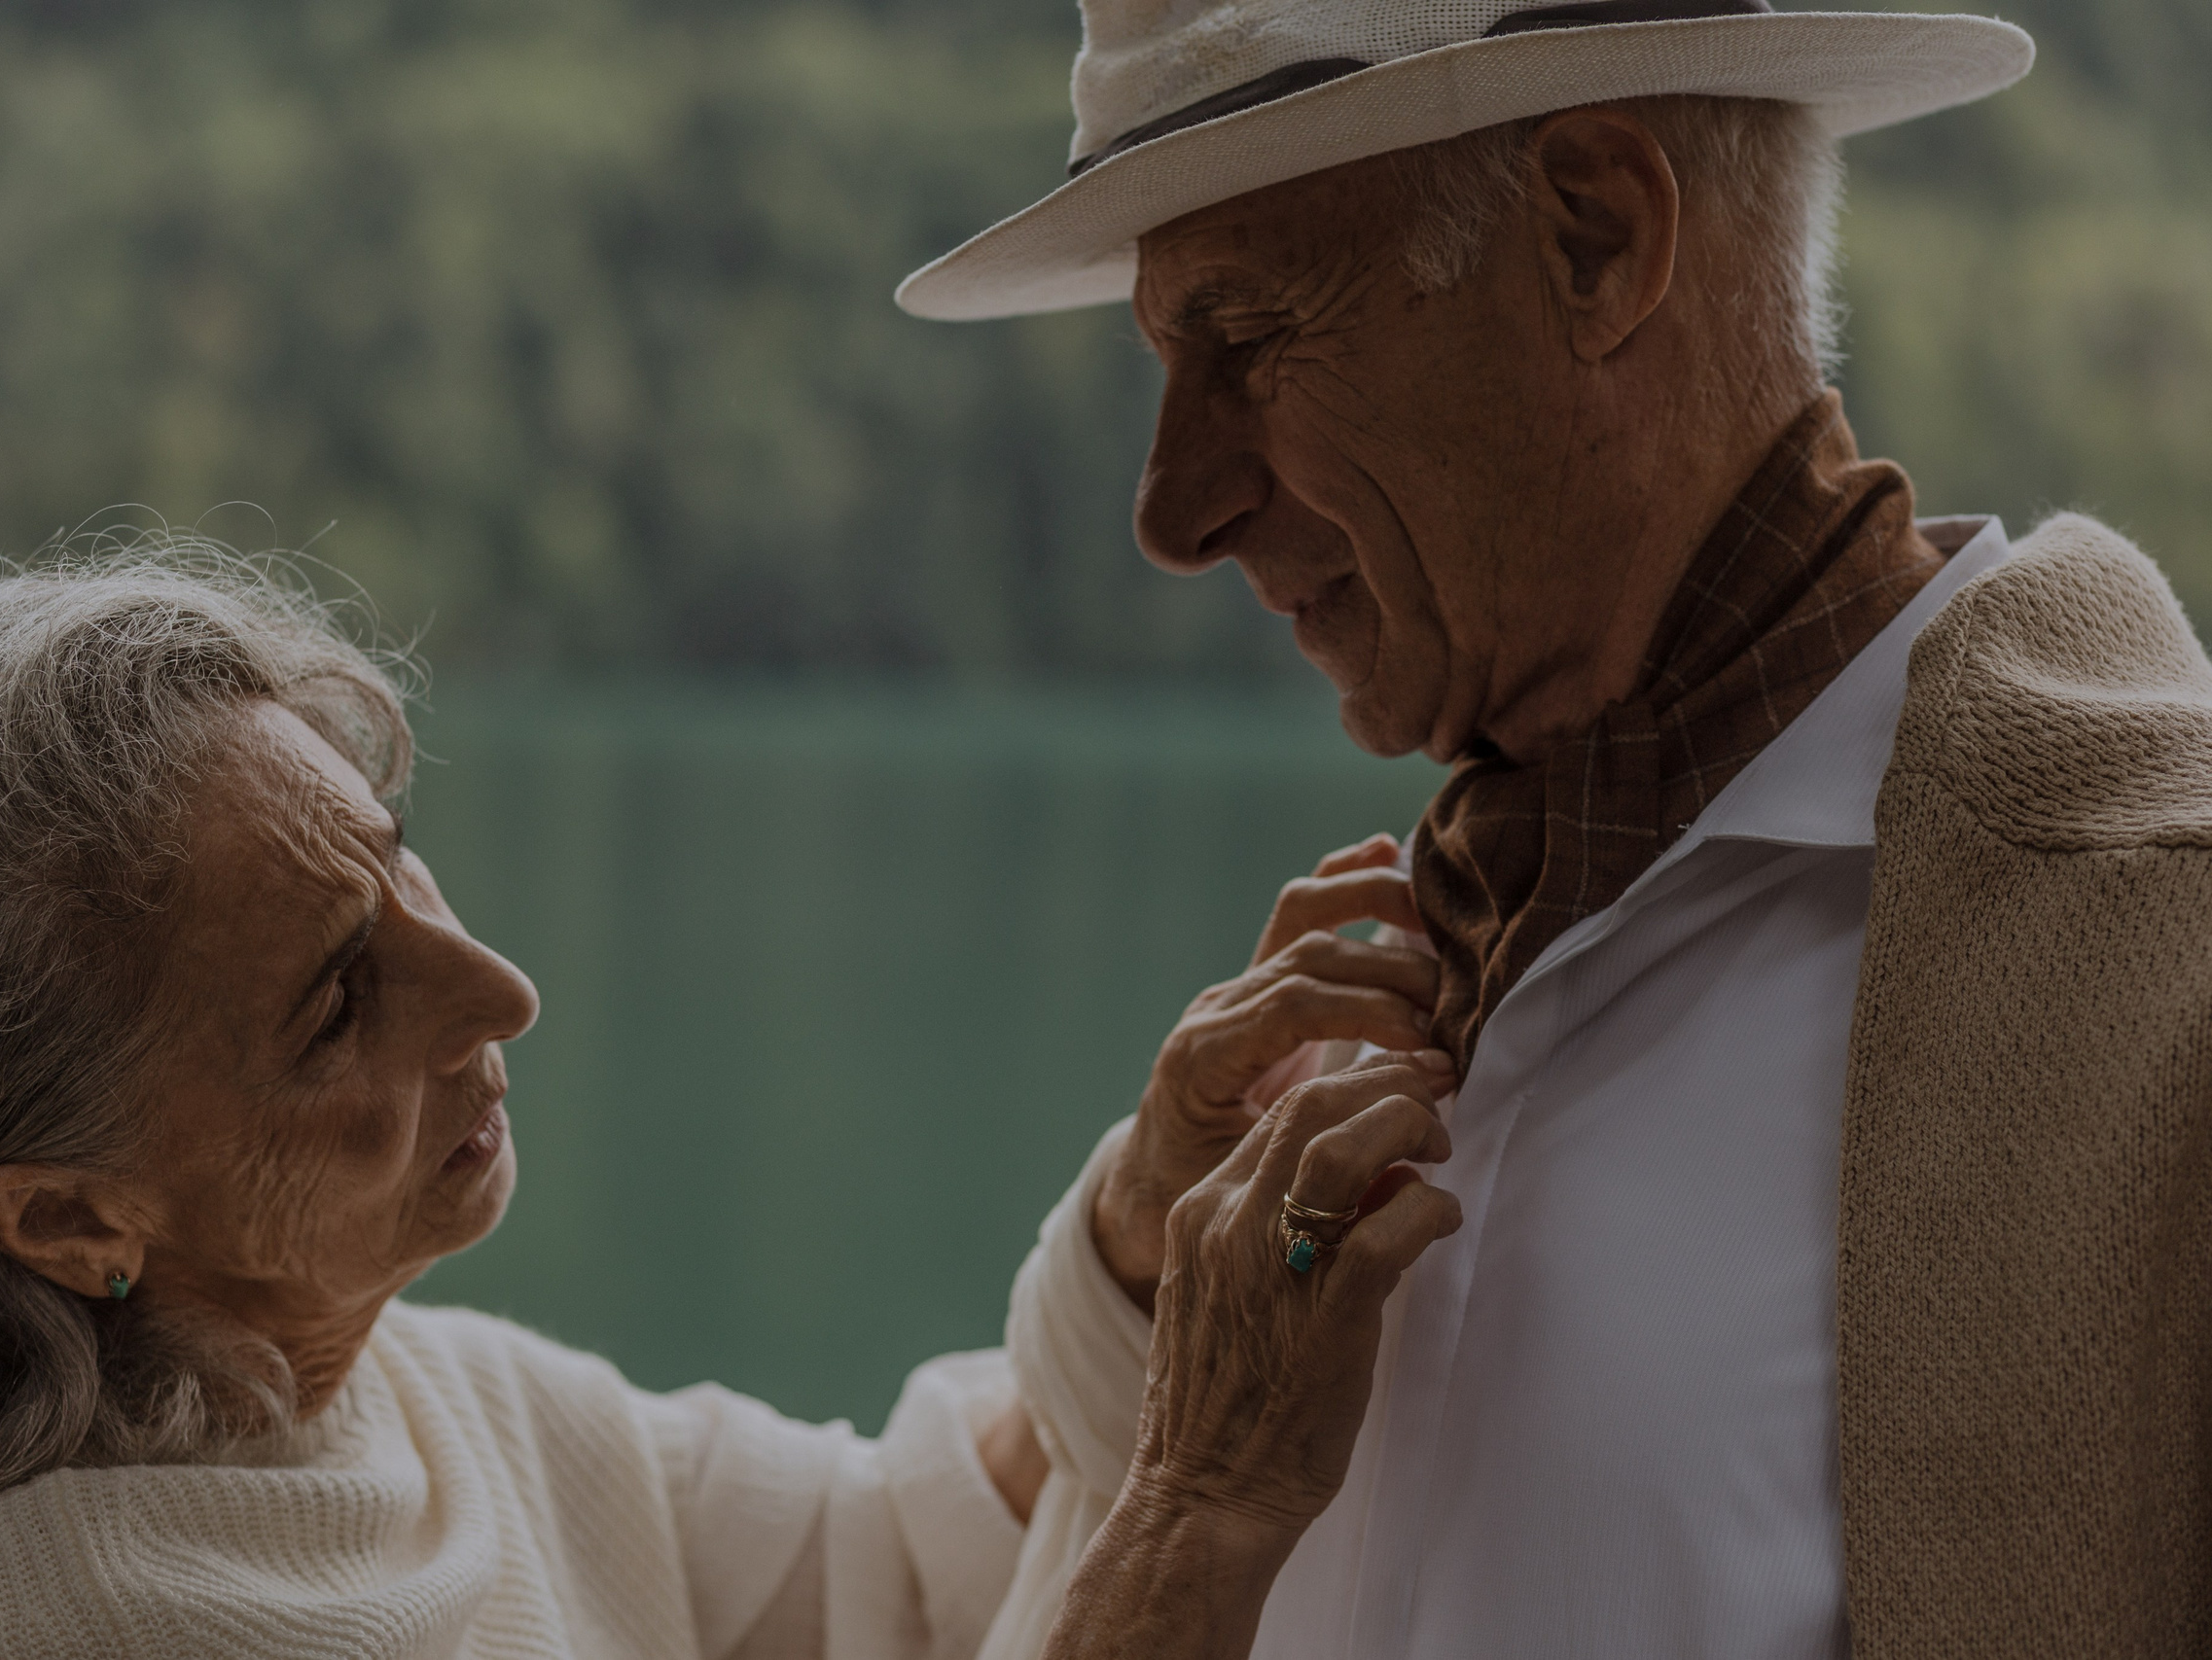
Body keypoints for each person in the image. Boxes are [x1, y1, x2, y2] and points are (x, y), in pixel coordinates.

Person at [902, 0, 2212, 1656]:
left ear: (1597, 237)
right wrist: (1122, 1285)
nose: (1172, 509)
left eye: (1242, 336)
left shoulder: (2159, 991)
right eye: (1168, 363)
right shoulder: (1405, 954)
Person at [0, 548, 1463, 1658]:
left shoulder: (388, 1397)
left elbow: (885, 1574)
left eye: (409, 875)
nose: (498, 993)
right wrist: (1204, 1506)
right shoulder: (23, 1633)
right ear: (65, 1216)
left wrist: (1141, 1236)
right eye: (340, 1003)